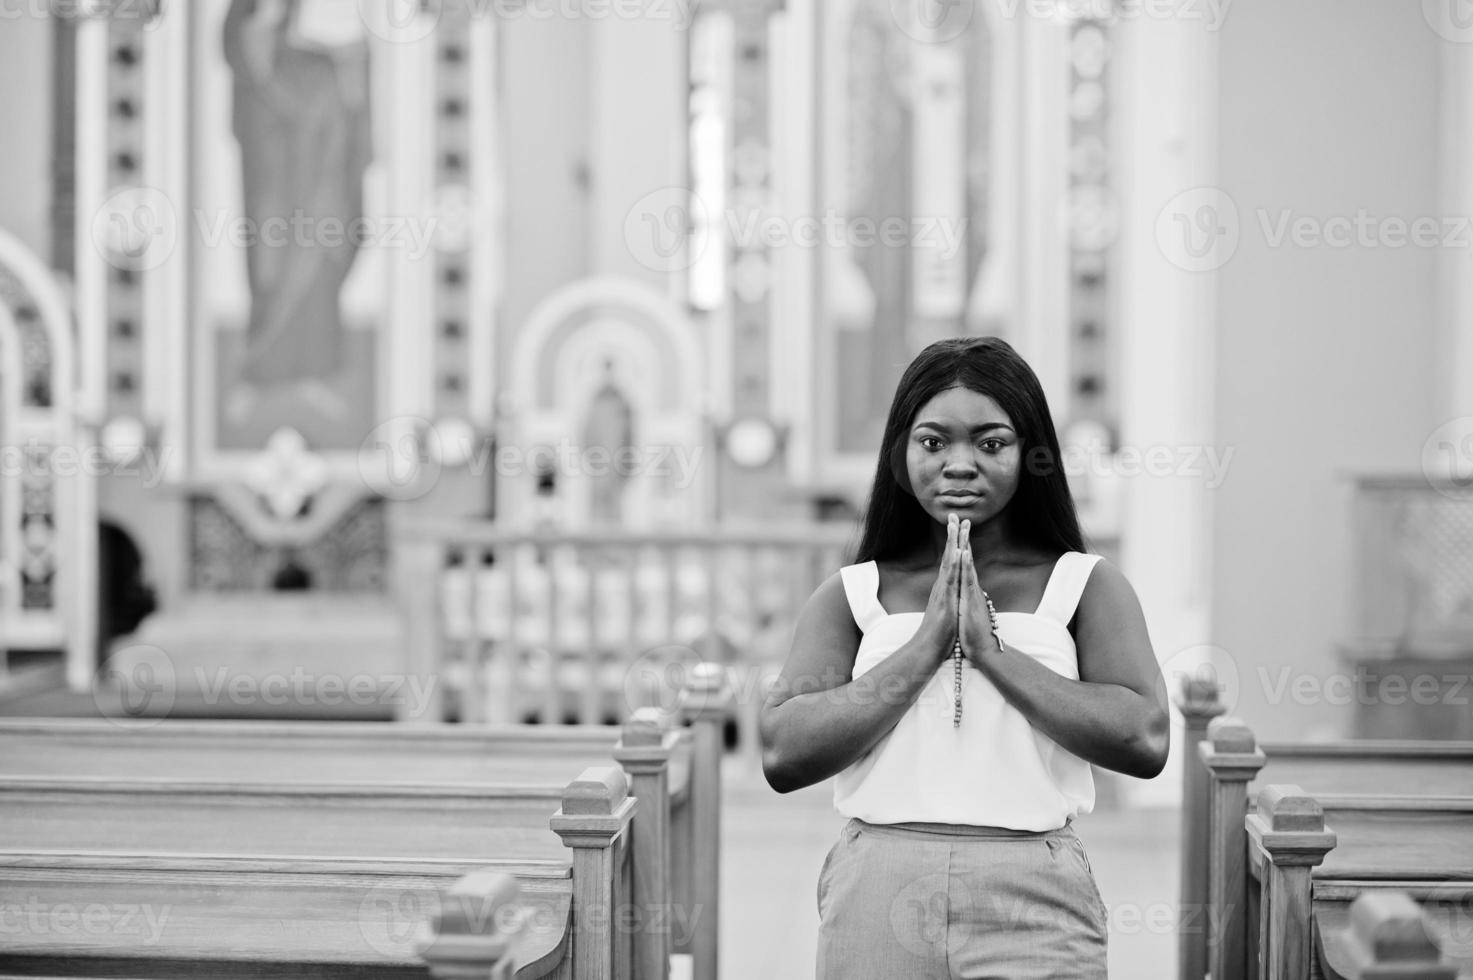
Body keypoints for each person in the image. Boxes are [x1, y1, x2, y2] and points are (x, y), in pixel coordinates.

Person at [759, 336, 1170, 979]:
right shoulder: (853, 593)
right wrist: (926, 646)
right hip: (878, 881)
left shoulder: (1084, 586)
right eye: (932, 442)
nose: (959, 464)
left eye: (991, 442)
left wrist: (989, 650)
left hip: (1033, 890)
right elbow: (783, 753)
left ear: (1030, 454)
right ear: (901, 454)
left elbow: (1144, 739)